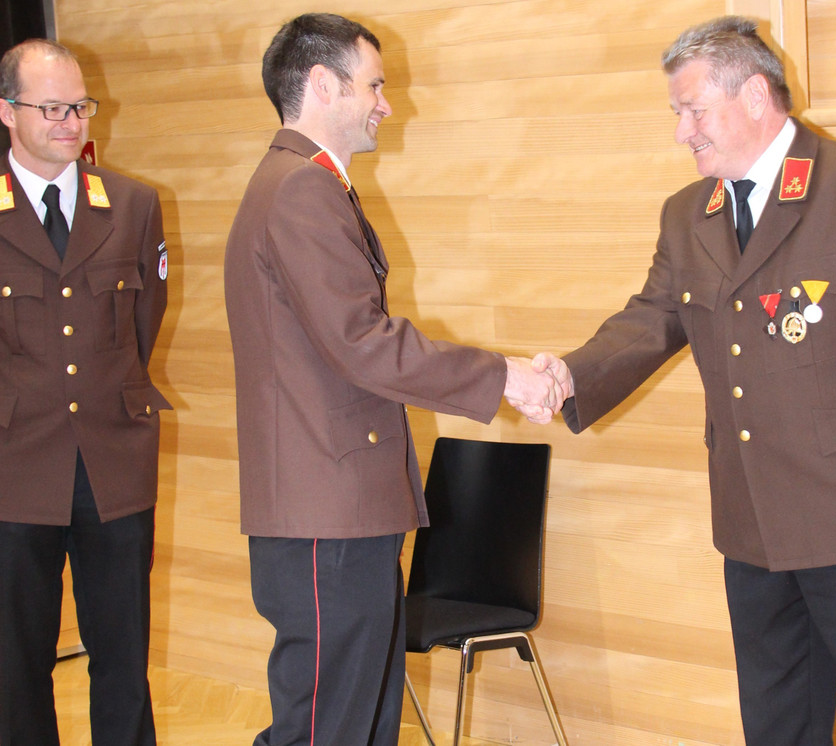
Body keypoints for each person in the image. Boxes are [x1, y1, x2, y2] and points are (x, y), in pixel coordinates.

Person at [525, 16, 836, 745]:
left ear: (755, 96)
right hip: (753, 527)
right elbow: (652, 318)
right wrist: (569, 376)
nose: (682, 132)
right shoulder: (687, 213)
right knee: (777, 729)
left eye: (693, 110)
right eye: (677, 113)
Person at [223, 13, 562, 746]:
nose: (385, 103)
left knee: (362, 727)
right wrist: (502, 375)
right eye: (374, 86)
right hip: (327, 517)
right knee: (329, 731)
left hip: (339, 512)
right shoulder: (301, 189)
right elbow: (363, 345)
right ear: (323, 84)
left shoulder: (301, 184)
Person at [0, 39, 170, 746]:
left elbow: (143, 321)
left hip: (113, 462)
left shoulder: (131, 204)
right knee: (15, 667)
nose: (70, 122)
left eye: (80, 106)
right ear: (7, 112)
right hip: (14, 466)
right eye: (52, 108)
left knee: (124, 660)